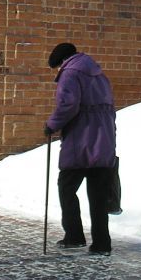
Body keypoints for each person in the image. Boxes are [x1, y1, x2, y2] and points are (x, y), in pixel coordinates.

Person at [44, 42, 116, 256]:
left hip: (80, 140)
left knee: (66, 188)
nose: (59, 71)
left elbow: (68, 105)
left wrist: (52, 125)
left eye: (58, 67)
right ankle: (102, 244)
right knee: (98, 196)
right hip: (104, 140)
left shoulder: (70, 74)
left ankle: (74, 236)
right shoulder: (99, 74)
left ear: (62, 61)